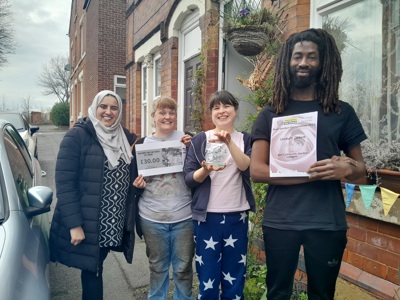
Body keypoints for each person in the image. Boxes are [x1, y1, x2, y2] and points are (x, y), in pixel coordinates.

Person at [250, 28, 368, 300]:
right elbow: (257, 171)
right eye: (297, 56)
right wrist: (315, 173)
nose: (303, 62)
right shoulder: (271, 113)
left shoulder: (341, 112)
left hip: (327, 221)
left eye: (311, 57)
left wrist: (347, 169)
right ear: (287, 62)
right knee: (277, 294)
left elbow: (362, 173)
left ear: (323, 62)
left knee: (322, 295)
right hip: (281, 220)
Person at [49, 90, 137, 300]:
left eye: (114, 108)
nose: (108, 112)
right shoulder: (77, 136)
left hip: (112, 222)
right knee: (92, 270)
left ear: (120, 111)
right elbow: (65, 184)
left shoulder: (125, 138)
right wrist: (74, 225)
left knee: (97, 266)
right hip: (88, 222)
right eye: (103, 107)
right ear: (94, 108)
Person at [183, 90, 255, 299]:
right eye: (216, 108)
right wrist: (205, 170)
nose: (221, 111)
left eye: (226, 106)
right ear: (211, 113)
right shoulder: (199, 140)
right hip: (207, 217)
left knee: (234, 276)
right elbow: (188, 179)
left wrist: (228, 142)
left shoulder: (245, 139)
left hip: (237, 215)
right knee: (208, 277)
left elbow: (247, 168)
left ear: (235, 110)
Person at [132, 96, 194, 300]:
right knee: (157, 267)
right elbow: (133, 182)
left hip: (184, 217)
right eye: (162, 112)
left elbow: (200, 173)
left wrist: (192, 148)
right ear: (153, 116)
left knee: (184, 267)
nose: (167, 116)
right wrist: (137, 186)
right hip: (152, 217)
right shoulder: (142, 144)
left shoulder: (187, 139)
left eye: (171, 112)